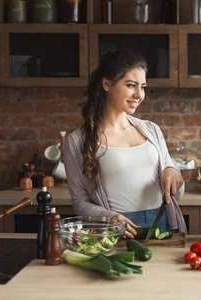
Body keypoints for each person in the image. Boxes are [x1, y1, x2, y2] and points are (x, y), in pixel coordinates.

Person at [63, 49, 187, 239]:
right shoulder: (77, 141)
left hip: (163, 223)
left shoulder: (151, 130)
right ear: (106, 84)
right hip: (118, 231)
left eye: (143, 87)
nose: (139, 95)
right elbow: (79, 202)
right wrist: (109, 218)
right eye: (131, 85)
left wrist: (173, 171)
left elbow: (176, 193)